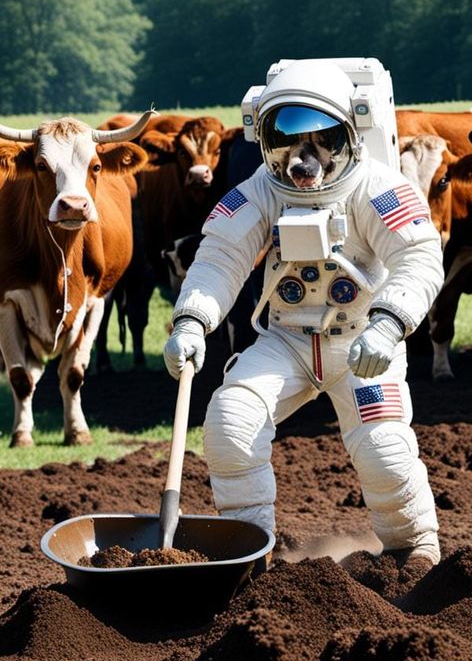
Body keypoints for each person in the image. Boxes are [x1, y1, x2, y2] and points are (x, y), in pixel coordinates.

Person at [164, 59, 445, 572]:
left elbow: (420, 256)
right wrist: (191, 321)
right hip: (286, 341)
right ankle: (251, 556)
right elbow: (220, 258)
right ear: (265, 142)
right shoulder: (261, 190)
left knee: (382, 448)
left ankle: (415, 552)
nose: (302, 159)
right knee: (231, 421)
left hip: (363, 342)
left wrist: (387, 325)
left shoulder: (377, 187)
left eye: (321, 141)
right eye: (286, 141)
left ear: (349, 135)